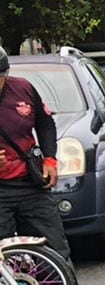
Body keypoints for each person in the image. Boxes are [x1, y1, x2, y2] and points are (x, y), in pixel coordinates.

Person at [0, 49, 68, 258]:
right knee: (5, 259)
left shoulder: (23, 89)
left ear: (5, 74)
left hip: (29, 183)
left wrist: (50, 159)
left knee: (55, 251)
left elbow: (45, 124)